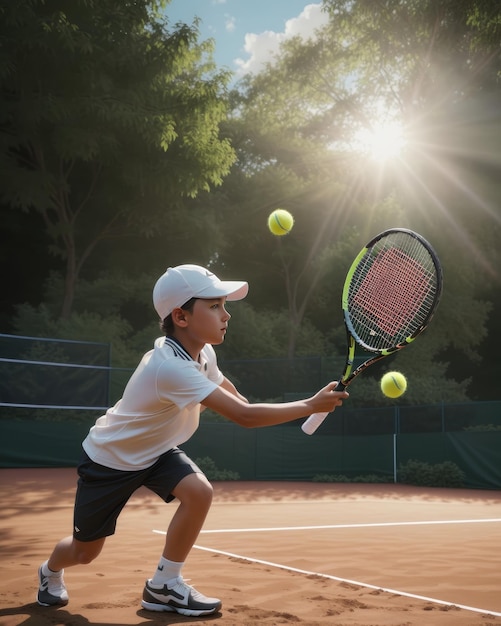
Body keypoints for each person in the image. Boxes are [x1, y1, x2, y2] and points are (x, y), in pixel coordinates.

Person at [37, 264, 348, 617]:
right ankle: (50, 572)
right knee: (84, 553)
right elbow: (245, 418)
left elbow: (239, 403)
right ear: (180, 317)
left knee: (199, 492)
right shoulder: (170, 368)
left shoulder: (201, 353)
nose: (226, 314)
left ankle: (164, 586)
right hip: (112, 460)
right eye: (214, 306)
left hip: (157, 452)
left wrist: (301, 404)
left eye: (224, 305)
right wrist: (309, 405)